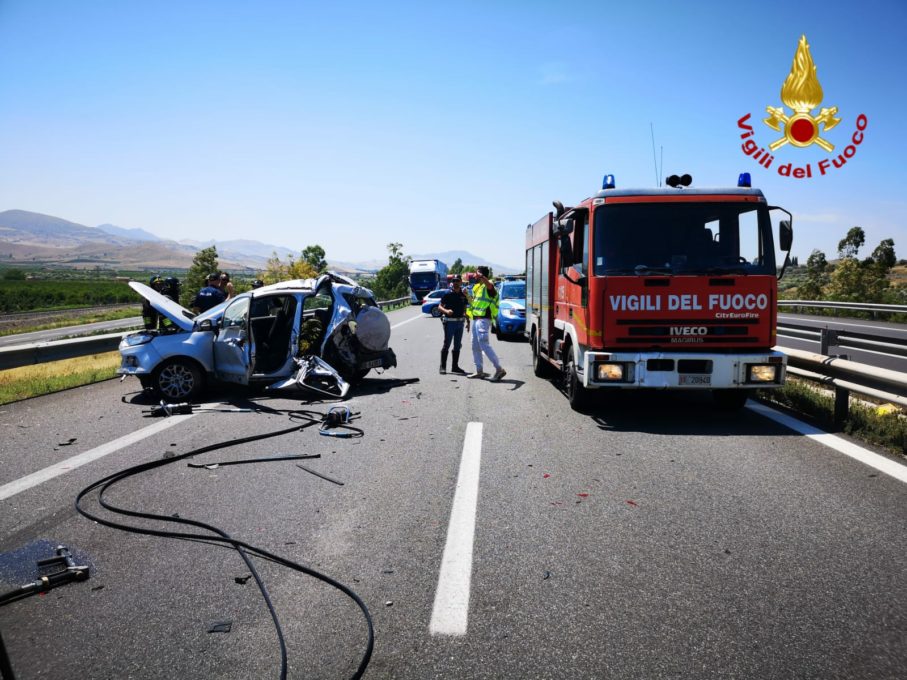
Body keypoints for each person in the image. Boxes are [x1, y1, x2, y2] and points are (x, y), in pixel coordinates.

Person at [466, 266, 506, 381]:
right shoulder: (477, 288)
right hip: (476, 319)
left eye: (476, 273)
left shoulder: (489, 285)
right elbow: (473, 303)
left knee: (484, 344)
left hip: (484, 319)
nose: (474, 275)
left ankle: (499, 369)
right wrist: (467, 296)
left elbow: (490, 287)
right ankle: (479, 371)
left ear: (481, 274)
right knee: (475, 345)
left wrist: (482, 276)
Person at [437, 276, 470, 375]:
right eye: (454, 281)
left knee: (457, 345)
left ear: (461, 282)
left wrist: (468, 321)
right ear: (452, 282)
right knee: (446, 344)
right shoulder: (447, 294)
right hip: (449, 322)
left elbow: (465, 309)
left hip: (460, 323)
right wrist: (446, 311)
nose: (455, 282)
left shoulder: (463, 295)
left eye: (457, 281)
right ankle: (442, 367)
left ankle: (455, 367)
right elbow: (439, 307)